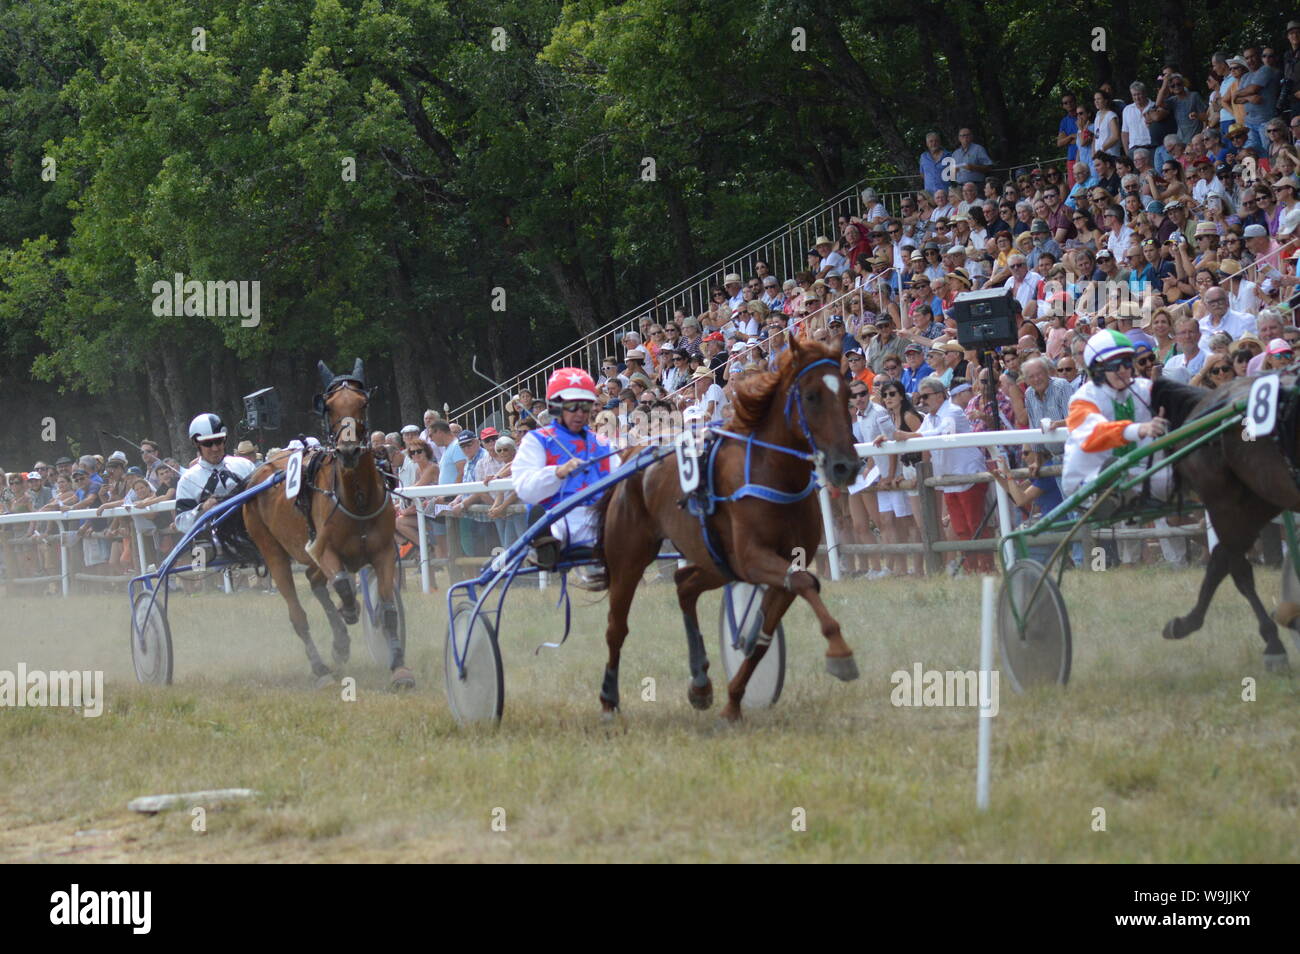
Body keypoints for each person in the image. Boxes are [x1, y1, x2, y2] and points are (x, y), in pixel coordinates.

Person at [511, 367, 613, 590]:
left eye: (585, 407)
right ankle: (545, 546)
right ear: (557, 406)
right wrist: (557, 472)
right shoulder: (537, 440)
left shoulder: (604, 444)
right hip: (557, 517)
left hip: (601, 519)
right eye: (573, 407)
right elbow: (524, 489)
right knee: (548, 521)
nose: (580, 413)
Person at [1062, 330, 1168, 500]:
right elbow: (1092, 435)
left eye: (1127, 362)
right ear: (1098, 369)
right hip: (1089, 480)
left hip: (1140, 474)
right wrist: (1139, 429)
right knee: (1117, 482)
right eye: (1114, 364)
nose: (1123, 370)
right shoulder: (1082, 399)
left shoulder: (1145, 388)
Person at [173, 413, 257, 534]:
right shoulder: (187, 480)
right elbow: (181, 523)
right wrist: (202, 509)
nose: (215, 448)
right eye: (208, 443)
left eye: (218, 441)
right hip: (214, 542)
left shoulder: (245, 466)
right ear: (197, 444)